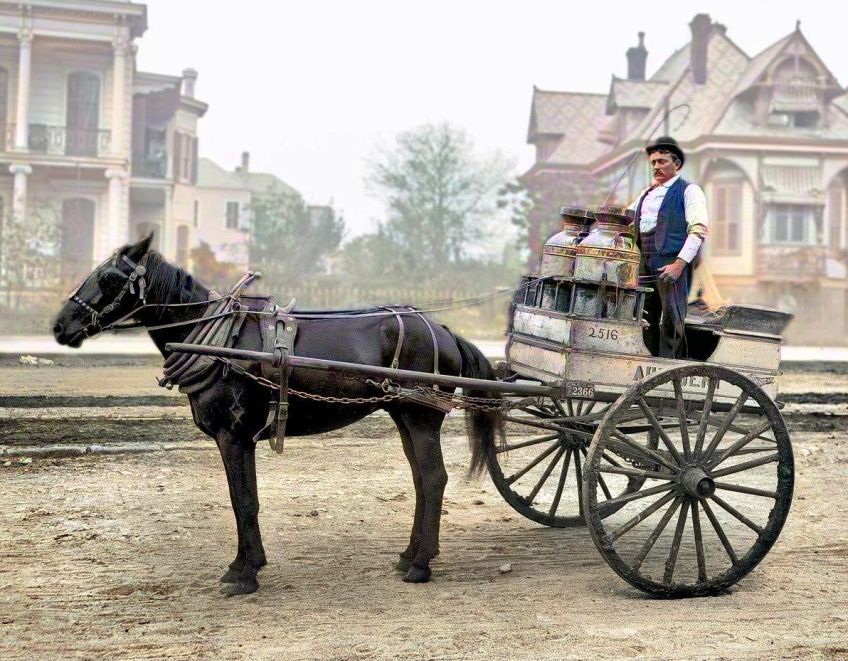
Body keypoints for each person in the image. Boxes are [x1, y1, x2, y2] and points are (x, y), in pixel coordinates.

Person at [629, 136, 708, 358]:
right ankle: (648, 366)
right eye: (653, 162)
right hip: (643, 262)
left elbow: (698, 230)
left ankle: (671, 367)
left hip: (671, 262)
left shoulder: (689, 191)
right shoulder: (646, 194)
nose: (656, 166)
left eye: (662, 161)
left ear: (677, 164)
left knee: (672, 318)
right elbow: (625, 219)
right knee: (644, 316)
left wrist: (679, 265)